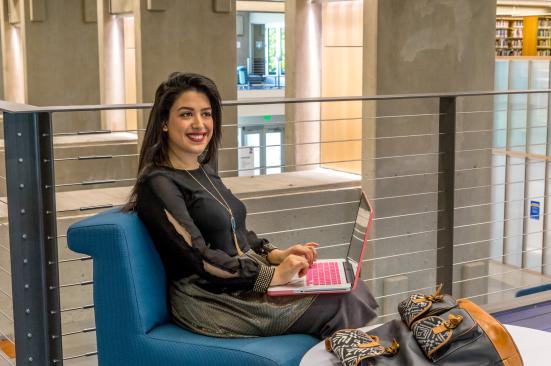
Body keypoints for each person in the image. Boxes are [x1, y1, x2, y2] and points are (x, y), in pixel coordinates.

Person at [124, 72, 377, 338]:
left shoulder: (204, 171)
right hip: (211, 298)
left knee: (352, 288)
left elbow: (236, 232)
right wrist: (272, 275)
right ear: (164, 122)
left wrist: (274, 254)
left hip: (240, 279)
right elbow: (198, 258)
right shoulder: (158, 183)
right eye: (186, 114)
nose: (199, 124)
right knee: (343, 302)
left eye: (206, 114)